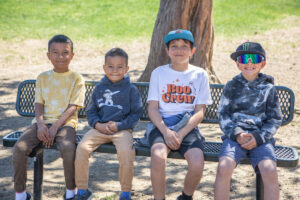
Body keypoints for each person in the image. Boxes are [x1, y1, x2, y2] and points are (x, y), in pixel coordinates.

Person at [13, 34, 85, 200]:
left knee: (68, 148)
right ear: (48, 55)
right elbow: (39, 104)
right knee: (19, 148)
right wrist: (41, 125)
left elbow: (73, 107)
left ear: (72, 55)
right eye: (55, 52)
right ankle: (21, 194)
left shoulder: (76, 78)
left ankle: (69, 193)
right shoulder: (42, 77)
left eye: (65, 52)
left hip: (66, 124)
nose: (60, 56)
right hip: (42, 124)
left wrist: (54, 128)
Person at [147, 29, 212, 200]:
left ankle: (186, 196)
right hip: (162, 125)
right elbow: (152, 108)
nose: (179, 50)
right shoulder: (158, 73)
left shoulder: (200, 75)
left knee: (197, 162)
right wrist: (166, 132)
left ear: (193, 51)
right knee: (158, 156)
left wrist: (181, 133)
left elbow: (200, 112)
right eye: (174, 46)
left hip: (187, 126)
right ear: (167, 51)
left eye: (185, 46)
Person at [214, 42, 282, 200]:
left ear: (262, 63)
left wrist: (259, 138)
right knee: (224, 166)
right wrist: (237, 134)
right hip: (235, 137)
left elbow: (274, 119)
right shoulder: (231, 86)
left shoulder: (268, 89)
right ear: (238, 64)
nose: (249, 63)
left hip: (261, 139)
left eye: (254, 58)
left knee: (269, 169)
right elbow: (223, 115)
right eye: (244, 58)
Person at [74, 48, 142, 200]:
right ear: (104, 68)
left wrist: (120, 126)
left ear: (126, 69)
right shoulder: (99, 88)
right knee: (82, 149)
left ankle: (125, 193)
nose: (115, 70)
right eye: (110, 66)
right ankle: (82, 191)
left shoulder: (131, 90)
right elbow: (90, 112)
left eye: (120, 67)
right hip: (99, 129)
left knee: (126, 153)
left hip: (122, 130)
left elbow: (136, 114)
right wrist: (98, 125)